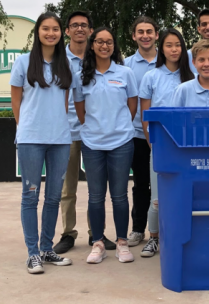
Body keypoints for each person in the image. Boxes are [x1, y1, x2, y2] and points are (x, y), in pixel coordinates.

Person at [10, 12, 73, 274]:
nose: (51, 33)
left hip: (60, 139)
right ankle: (32, 253)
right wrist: (24, 128)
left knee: (54, 196)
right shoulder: (23, 63)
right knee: (30, 196)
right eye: (45, 29)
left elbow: (65, 100)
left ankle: (47, 249)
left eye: (55, 29)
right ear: (38, 32)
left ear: (61, 33)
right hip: (31, 140)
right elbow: (16, 101)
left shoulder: (65, 63)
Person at [74, 27, 138, 264]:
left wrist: (118, 126)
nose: (104, 45)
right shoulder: (82, 75)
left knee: (119, 196)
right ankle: (98, 242)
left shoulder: (125, 73)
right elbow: (81, 111)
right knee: (95, 196)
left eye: (109, 42)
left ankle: (122, 241)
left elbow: (132, 105)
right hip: (92, 143)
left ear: (114, 46)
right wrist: (95, 127)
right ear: (92, 45)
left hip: (121, 142)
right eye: (99, 41)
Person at [52, 11, 115, 254]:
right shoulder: (57, 59)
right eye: (74, 25)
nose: (80, 29)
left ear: (91, 31)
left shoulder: (98, 58)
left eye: (84, 25)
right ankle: (68, 234)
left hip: (94, 132)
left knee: (96, 188)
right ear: (67, 31)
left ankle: (95, 234)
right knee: (67, 188)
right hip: (64, 132)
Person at [139, 28, 194, 257]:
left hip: (188, 146)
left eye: (178, 45)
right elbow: (145, 114)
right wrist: (152, 142)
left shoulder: (191, 77)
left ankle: (183, 237)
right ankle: (153, 237)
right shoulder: (151, 77)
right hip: (162, 145)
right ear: (162, 48)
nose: (174, 49)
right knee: (158, 198)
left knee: (185, 194)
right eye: (169, 45)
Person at [124, 16, 159, 247]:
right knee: (141, 184)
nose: (145, 35)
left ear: (156, 35)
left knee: (163, 184)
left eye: (149, 31)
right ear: (134, 35)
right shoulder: (126, 64)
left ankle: (162, 230)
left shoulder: (169, 60)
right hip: (137, 133)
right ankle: (138, 229)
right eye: (140, 32)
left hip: (166, 137)